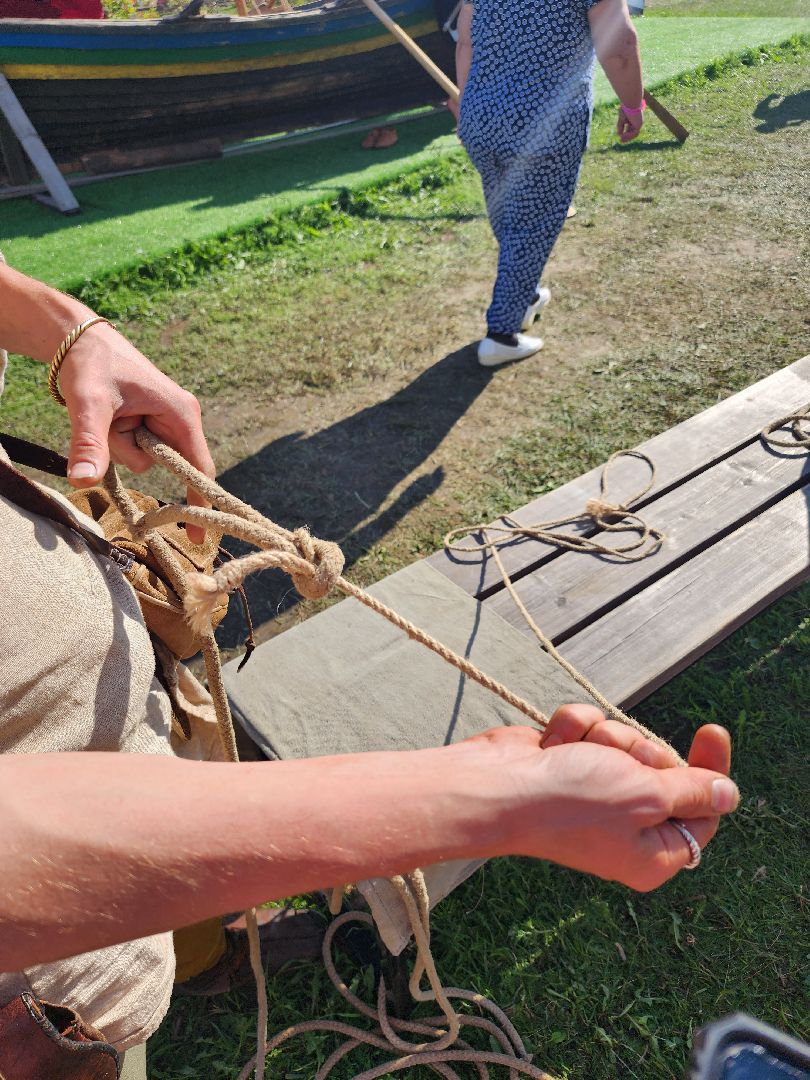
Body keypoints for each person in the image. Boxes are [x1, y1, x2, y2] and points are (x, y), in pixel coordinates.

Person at [0, 261, 739, 1077]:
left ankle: (204, 946)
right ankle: (187, 949)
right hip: (44, 1013)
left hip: (113, 717)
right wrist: (495, 796)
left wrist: (62, 324)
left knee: (170, 771)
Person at [455, 0, 646, 366]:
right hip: (543, 125)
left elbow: (466, 43)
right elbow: (619, 47)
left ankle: (522, 294)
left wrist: (469, 109)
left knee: (511, 216)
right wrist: (633, 105)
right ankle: (502, 334)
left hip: (481, 117)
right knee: (530, 226)